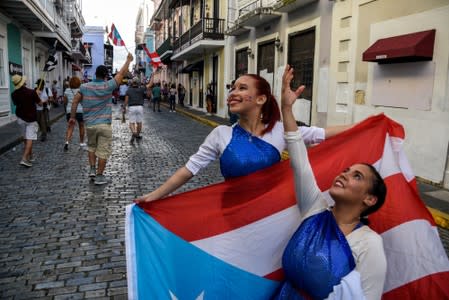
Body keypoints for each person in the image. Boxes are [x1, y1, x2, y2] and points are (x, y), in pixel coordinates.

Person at [136, 73, 350, 203]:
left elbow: (322, 134)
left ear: (260, 99)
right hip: (231, 213)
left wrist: (374, 122)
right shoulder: (221, 134)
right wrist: (156, 195)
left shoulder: (280, 130)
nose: (232, 93)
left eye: (242, 88)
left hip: (270, 215)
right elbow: (188, 170)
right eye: (233, 88)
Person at [273, 64, 387, 300]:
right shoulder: (314, 209)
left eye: (357, 176)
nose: (344, 174)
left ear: (369, 198)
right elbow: (299, 159)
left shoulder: (369, 244)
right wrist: (286, 108)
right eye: (346, 170)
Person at [69, 53, 133, 185]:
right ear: (105, 76)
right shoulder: (108, 86)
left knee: (91, 147)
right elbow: (121, 73)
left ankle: (92, 169)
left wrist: (72, 117)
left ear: (95, 75)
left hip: (90, 125)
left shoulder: (85, 87)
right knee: (103, 151)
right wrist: (128, 60)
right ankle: (99, 176)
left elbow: (75, 101)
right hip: (104, 125)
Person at [10, 74, 43, 167]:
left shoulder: (13, 94)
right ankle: (24, 158)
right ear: (23, 82)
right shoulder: (31, 92)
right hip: (31, 119)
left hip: (20, 118)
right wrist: (37, 95)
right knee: (30, 138)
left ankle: (30, 156)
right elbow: (40, 104)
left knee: (26, 138)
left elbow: (16, 103)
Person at [124, 76, 150, 144]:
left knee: (132, 123)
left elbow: (126, 101)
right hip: (140, 107)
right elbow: (150, 84)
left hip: (132, 107)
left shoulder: (128, 90)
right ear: (138, 83)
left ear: (132, 83)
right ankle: (137, 135)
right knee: (139, 122)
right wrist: (152, 75)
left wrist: (124, 107)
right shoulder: (141, 89)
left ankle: (134, 133)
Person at [63, 76, 85, 151]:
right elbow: (83, 101)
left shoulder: (67, 90)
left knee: (70, 127)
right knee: (81, 126)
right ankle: (81, 143)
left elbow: (65, 102)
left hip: (69, 110)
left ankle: (67, 142)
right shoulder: (81, 90)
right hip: (80, 110)